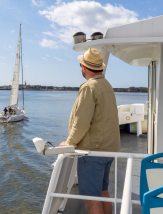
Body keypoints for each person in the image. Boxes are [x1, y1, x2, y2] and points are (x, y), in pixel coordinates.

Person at [59, 48, 120, 214]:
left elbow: (81, 122)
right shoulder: (106, 85)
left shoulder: (89, 87)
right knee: (103, 193)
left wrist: (69, 143)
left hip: (93, 152)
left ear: (84, 67)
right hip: (109, 150)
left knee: (92, 199)